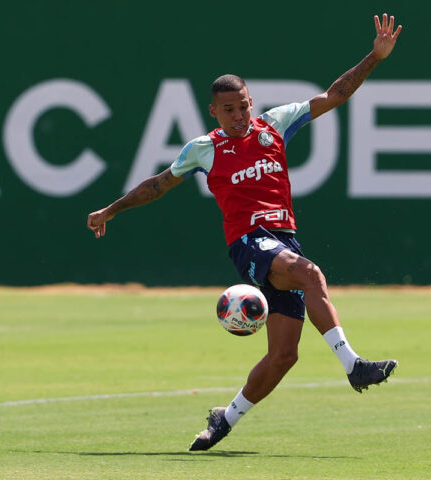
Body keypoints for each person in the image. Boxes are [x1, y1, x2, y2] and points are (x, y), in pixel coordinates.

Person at [87, 13, 402, 452]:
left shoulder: (275, 125)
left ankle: (223, 419)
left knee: (284, 356)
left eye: (243, 106)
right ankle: (354, 366)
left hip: (282, 240)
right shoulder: (206, 148)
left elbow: (336, 94)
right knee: (311, 274)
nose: (238, 115)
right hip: (249, 243)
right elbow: (157, 184)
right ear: (213, 111)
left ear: (251, 102)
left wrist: (375, 56)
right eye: (228, 109)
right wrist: (112, 209)